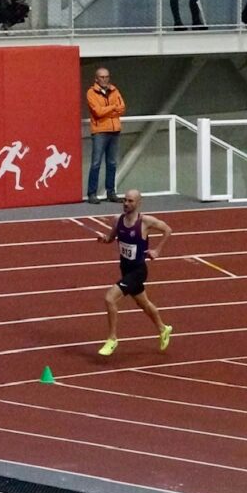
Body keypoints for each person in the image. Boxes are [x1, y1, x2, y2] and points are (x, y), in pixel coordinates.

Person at [94, 191, 174, 357]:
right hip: (125, 268)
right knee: (143, 303)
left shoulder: (145, 222)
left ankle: (112, 339)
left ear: (138, 203)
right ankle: (163, 328)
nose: (126, 203)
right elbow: (111, 238)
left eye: (130, 201)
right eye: (124, 200)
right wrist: (104, 239)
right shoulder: (118, 220)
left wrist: (157, 250)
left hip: (138, 271)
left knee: (109, 298)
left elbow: (168, 230)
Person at [86, 67, 126, 205]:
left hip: (114, 130)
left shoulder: (115, 90)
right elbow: (98, 112)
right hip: (100, 131)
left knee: (112, 163)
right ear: (96, 79)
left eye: (107, 77)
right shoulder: (91, 93)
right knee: (96, 163)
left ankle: (111, 192)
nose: (105, 79)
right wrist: (113, 108)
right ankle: (92, 193)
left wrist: (109, 110)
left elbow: (122, 108)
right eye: (102, 77)